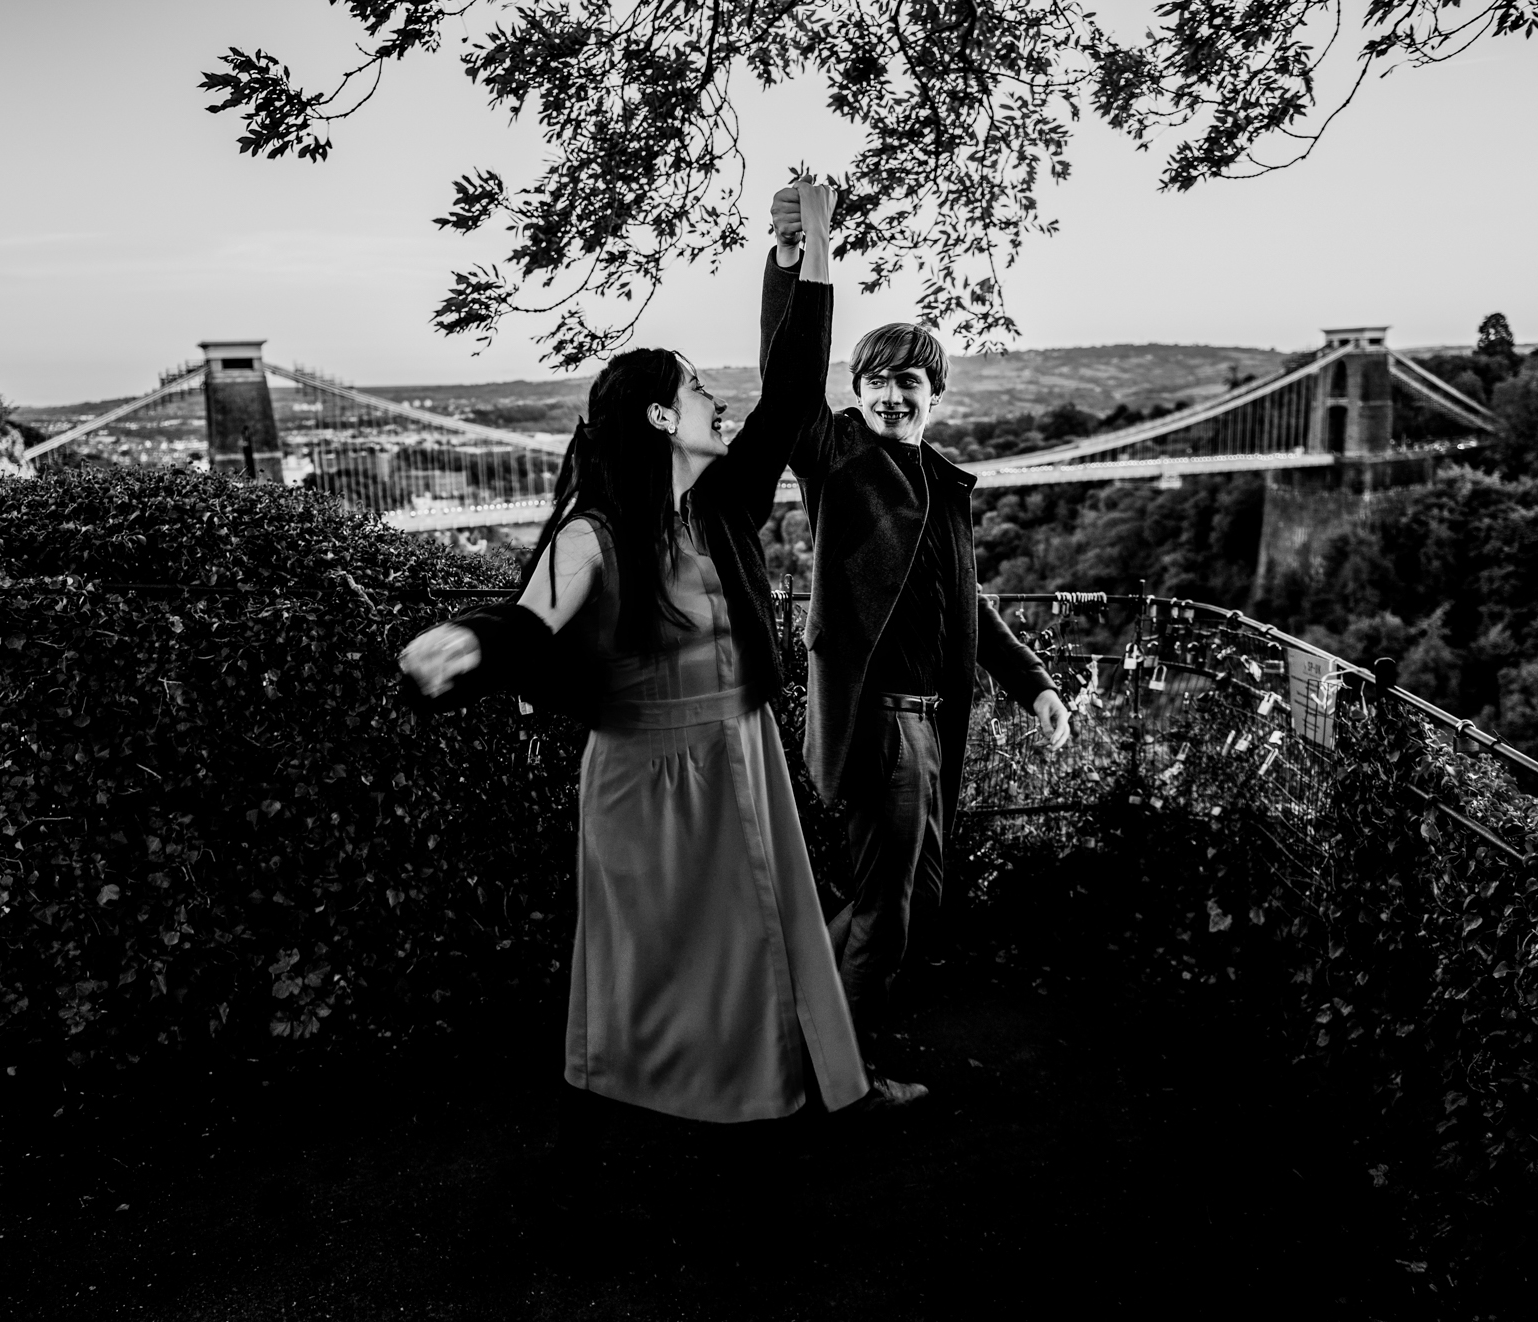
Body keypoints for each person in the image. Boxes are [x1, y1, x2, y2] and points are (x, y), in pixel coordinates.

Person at [399, 179, 869, 1128]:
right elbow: (527, 625)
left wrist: (804, 252)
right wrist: (466, 644)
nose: (715, 398)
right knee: (668, 959)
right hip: (649, 780)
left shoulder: (724, 501)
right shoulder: (595, 531)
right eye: (696, 388)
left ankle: (774, 1092)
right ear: (660, 416)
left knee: (763, 943)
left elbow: (790, 388)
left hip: (743, 753)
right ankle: (654, 1120)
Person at [772, 230, 1073, 1107]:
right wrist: (797, 265)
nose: (895, 393)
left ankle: (799, 1024)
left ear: (933, 393)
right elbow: (789, 375)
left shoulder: (941, 485)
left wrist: (1038, 684)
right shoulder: (838, 461)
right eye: (879, 380)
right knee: (887, 909)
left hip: (936, 723)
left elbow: (969, 607)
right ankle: (840, 1081)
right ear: (857, 393)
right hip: (882, 723)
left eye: (912, 379)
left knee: (911, 897)